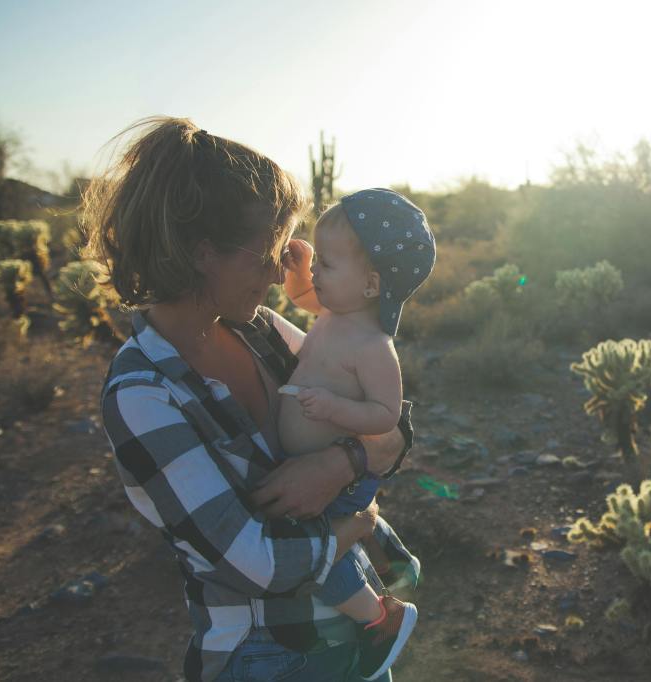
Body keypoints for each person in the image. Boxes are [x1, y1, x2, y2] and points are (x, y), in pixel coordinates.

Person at [83, 116, 419, 682]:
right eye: (267, 254)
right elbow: (256, 564)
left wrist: (342, 463)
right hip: (268, 656)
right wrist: (358, 523)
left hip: (353, 640)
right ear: (202, 253)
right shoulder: (143, 393)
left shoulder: (260, 330)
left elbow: (392, 426)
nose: (279, 276)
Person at [276, 190, 435, 680]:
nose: (317, 275)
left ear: (370, 285)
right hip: (322, 469)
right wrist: (301, 269)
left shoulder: (372, 346)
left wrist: (335, 408)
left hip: (338, 478)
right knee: (340, 528)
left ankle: (379, 618)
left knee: (320, 551)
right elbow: (303, 297)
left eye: (327, 264)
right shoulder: (335, 313)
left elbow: (386, 415)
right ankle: (391, 553)